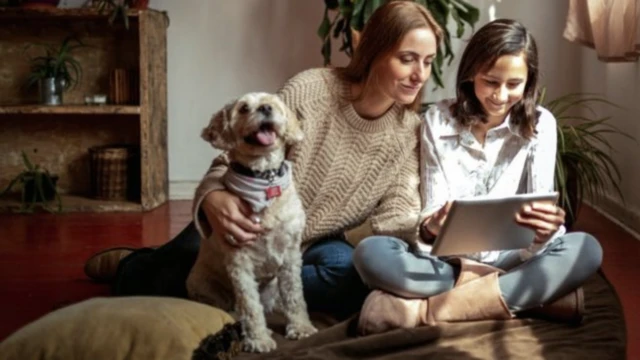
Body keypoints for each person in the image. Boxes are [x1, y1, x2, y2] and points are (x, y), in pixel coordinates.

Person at [83, 0, 443, 320]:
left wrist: (426, 229)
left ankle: (246, 295)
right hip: (249, 217)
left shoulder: (408, 131)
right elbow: (234, 154)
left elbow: (398, 208)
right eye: (407, 58)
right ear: (374, 52)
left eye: (427, 62)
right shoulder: (311, 90)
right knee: (184, 265)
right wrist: (212, 197)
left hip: (316, 241)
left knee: (347, 274)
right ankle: (133, 265)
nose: (419, 75)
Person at [353, 18, 603, 334]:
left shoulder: (541, 124)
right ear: (471, 73)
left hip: (515, 259)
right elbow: (431, 215)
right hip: (448, 264)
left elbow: (540, 219)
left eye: (514, 84)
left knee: (586, 249)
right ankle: (522, 297)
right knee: (370, 253)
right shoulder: (437, 120)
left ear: (529, 81)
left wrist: (545, 230)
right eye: (490, 81)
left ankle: (427, 311)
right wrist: (432, 227)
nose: (500, 95)